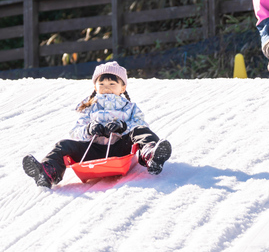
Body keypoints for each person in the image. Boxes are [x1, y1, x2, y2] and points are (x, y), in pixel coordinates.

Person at [22, 61, 172, 188]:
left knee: (141, 131)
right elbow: (75, 131)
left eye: (112, 83)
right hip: (93, 150)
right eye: (102, 83)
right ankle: (48, 171)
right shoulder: (89, 107)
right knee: (64, 145)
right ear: (95, 86)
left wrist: (123, 127)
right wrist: (88, 129)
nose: (106, 87)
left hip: (121, 148)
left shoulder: (129, 107)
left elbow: (141, 124)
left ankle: (151, 156)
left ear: (123, 88)